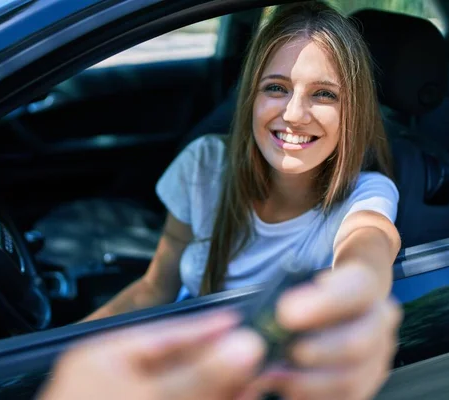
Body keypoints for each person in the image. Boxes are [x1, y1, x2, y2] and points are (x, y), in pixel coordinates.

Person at [79, 1, 403, 398]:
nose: (295, 114)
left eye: (323, 94)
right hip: (175, 364)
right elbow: (154, 287)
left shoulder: (365, 192)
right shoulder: (205, 164)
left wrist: (360, 286)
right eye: (276, 88)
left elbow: (370, 239)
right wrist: (59, 354)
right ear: (250, 95)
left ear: (352, 110)